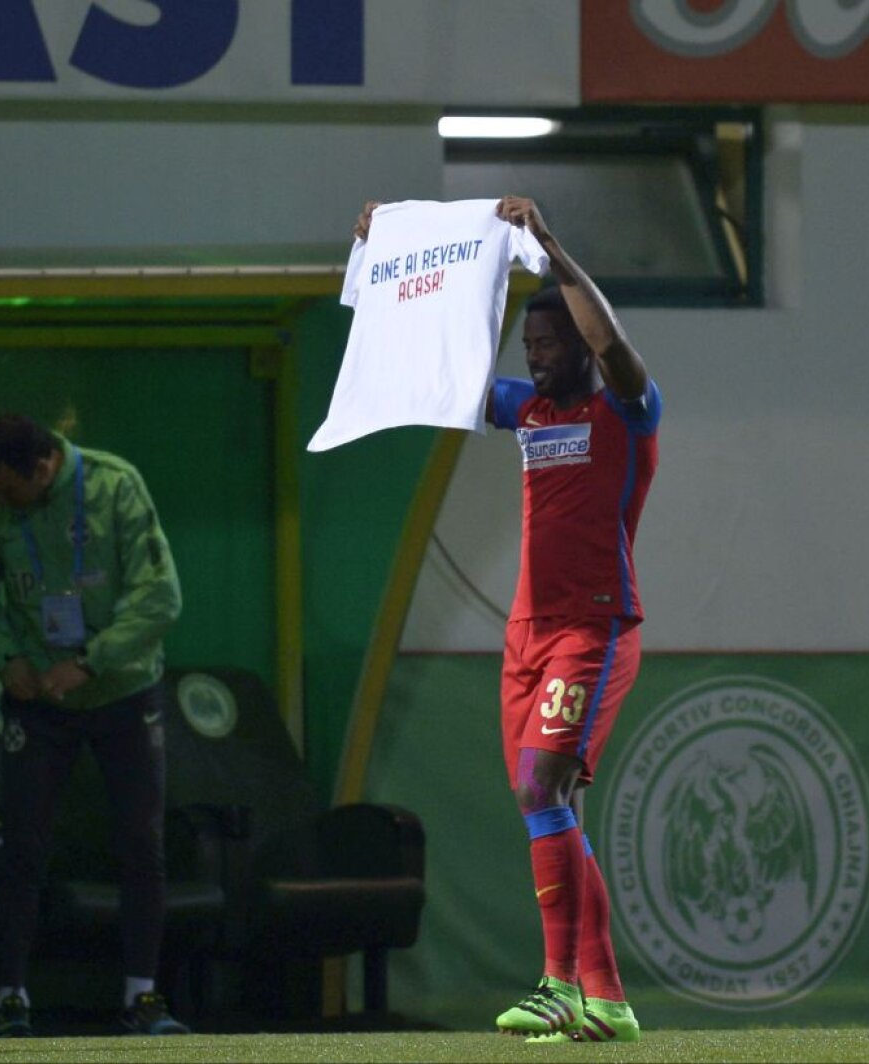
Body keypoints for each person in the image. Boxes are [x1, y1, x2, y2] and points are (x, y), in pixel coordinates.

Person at [355, 196, 661, 1043]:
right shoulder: (528, 410)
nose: (537, 355)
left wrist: (553, 245)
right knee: (545, 808)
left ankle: (558, 984)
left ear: (581, 349)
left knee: (541, 786)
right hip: (525, 635)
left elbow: (616, 347)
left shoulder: (626, 414)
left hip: (593, 629)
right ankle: (607, 1000)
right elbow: (435, 374)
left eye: (549, 344)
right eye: (529, 346)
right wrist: (385, 269)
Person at [0, 414, 188, 1038]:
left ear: (45, 466)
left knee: (142, 842)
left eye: (10, 490)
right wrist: (7, 658)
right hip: (37, 701)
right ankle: (11, 998)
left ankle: (142, 997)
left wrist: (91, 663)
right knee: (20, 847)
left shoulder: (116, 486)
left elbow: (160, 597)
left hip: (122, 691)